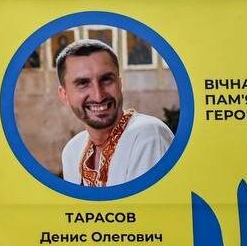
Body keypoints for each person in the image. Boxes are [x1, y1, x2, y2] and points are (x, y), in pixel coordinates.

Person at [55, 39, 175, 187]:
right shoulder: (72, 150)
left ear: (120, 83)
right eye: (83, 83)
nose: (98, 96)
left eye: (106, 80)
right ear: (64, 95)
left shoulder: (148, 135)